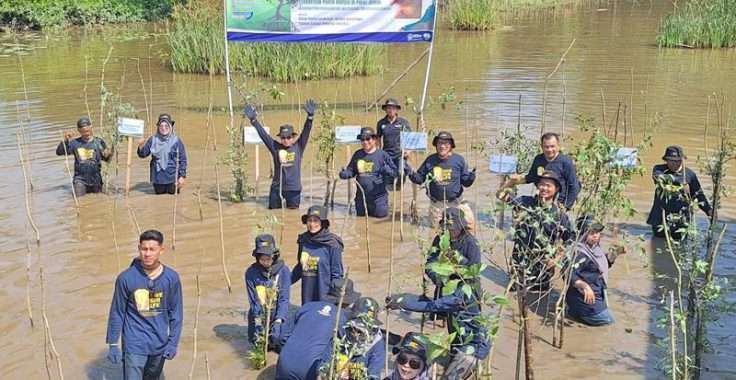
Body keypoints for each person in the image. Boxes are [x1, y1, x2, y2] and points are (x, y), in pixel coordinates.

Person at [105, 230, 183, 380]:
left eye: (152, 249)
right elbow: (117, 312)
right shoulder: (125, 278)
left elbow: (176, 313)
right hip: (134, 344)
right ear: (139, 248)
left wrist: (173, 342)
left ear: (161, 250)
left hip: (159, 343)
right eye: (144, 249)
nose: (147, 254)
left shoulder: (171, 278)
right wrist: (113, 343)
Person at [387, 275, 488, 380]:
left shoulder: (462, 295)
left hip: (472, 348)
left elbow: (433, 306)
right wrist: (401, 298)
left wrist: (402, 302)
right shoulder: (462, 287)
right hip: (460, 341)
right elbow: (433, 302)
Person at [498, 171, 573, 291]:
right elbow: (500, 195)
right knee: (515, 294)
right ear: (537, 186)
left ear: (556, 189)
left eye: (548, 185)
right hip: (520, 263)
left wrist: (556, 259)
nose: (544, 188)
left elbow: (569, 239)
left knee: (539, 297)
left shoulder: (559, 215)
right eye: (542, 184)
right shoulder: (524, 202)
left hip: (543, 267)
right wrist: (512, 182)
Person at [276, 279, 360, 380]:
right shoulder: (343, 319)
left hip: (283, 366)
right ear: (348, 302)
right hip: (310, 371)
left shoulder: (307, 306)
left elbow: (281, 337)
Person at [244, 99, 316, 209]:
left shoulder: (299, 147)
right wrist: (254, 120)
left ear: (293, 137)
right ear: (280, 138)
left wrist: (310, 117)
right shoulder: (275, 148)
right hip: (277, 188)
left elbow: (306, 131)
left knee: (292, 218)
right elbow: (264, 135)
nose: (286, 140)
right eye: (283, 137)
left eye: (289, 137)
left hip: (293, 189)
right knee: (273, 213)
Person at [405, 131, 476, 231]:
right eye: (440, 143)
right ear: (436, 145)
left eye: (446, 143)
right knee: (438, 233)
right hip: (437, 205)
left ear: (451, 145)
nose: (442, 146)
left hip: (457, 202)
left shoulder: (459, 160)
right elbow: (420, 179)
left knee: (469, 227)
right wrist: (409, 170)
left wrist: (471, 177)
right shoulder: (430, 160)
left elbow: (466, 183)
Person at [565, 221, 625, 326]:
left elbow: (600, 266)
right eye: (592, 233)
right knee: (609, 321)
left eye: (598, 232)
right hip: (585, 298)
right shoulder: (579, 252)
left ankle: (576, 314)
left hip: (593, 295)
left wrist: (615, 253)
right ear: (583, 234)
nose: (596, 236)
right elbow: (568, 273)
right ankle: (580, 314)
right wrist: (584, 286)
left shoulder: (594, 249)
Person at [646, 145, 712, 239]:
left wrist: (709, 211)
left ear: (682, 160)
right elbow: (659, 178)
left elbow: (698, 195)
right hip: (660, 220)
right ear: (666, 160)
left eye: (678, 160)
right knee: (657, 246)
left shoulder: (690, 175)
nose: (675, 163)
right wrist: (681, 186)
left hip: (681, 221)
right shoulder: (659, 169)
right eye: (672, 161)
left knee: (680, 247)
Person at [507, 132, 580, 210]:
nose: (549, 150)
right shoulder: (538, 159)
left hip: (558, 202)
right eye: (546, 147)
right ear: (541, 147)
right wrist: (513, 181)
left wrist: (565, 206)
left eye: (552, 146)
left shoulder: (565, 162)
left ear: (558, 146)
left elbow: (574, 186)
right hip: (541, 198)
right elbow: (531, 177)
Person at [320, 297, 386, 380]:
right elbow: (324, 362)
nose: (356, 334)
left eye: (361, 330)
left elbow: (374, 375)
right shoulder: (340, 333)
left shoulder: (377, 344)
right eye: (355, 328)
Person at [292, 206, 345, 305]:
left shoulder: (332, 244)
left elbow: (337, 275)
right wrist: (283, 282)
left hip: (325, 297)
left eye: (316, 221)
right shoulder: (303, 240)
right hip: (307, 296)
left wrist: (336, 301)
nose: (312, 224)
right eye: (309, 220)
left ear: (323, 223)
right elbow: (300, 267)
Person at [245, 234, 290, 350]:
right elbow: (253, 300)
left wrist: (279, 320)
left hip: (277, 314)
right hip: (258, 315)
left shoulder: (283, 271)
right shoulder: (251, 273)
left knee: (280, 343)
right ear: (257, 257)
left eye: (268, 258)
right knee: (258, 344)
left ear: (274, 256)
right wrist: (259, 321)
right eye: (262, 259)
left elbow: (284, 299)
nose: (265, 262)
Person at [339, 127, 397, 218]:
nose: (365, 142)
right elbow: (352, 171)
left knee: (380, 219)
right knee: (360, 222)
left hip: (378, 198)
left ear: (374, 140)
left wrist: (387, 170)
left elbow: (394, 173)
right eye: (362, 139)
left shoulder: (382, 155)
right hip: (361, 197)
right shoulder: (358, 154)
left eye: (368, 139)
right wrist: (344, 174)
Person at [55, 116, 113, 196]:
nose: (86, 133)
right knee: (79, 201)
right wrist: (65, 140)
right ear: (79, 131)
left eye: (88, 130)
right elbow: (59, 152)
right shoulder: (75, 143)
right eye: (83, 132)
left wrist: (112, 150)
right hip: (80, 180)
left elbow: (107, 160)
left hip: (96, 180)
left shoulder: (99, 142)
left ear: (91, 127)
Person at [137, 114, 187, 195]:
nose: (164, 128)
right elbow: (143, 154)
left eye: (166, 126)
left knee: (173, 200)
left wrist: (182, 176)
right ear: (158, 127)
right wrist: (140, 145)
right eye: (161, 126)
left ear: (170, 126)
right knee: (159, 200)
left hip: (173, 178)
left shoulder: (177, 141)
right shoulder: (152, 140)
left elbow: (183, 160)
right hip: (158, 178)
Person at [376, 98, 411, 189]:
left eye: (393, 108)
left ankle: (399, 190)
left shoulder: (403, 122)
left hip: (400, 154)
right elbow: (378, 138)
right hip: (386, 154)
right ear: (385, 109)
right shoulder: (381, 123)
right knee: (387, 176)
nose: (390, 110)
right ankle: (390, 197)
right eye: (388, 108)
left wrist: (408, 151)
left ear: (396, 109)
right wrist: (379, 152)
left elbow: (410, 138)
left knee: (401, 173)